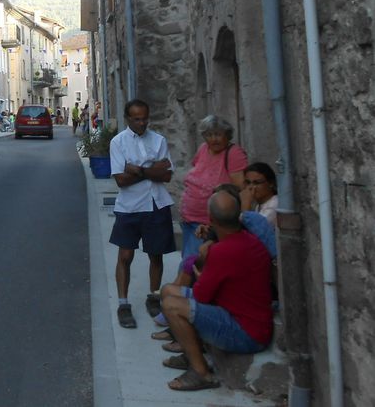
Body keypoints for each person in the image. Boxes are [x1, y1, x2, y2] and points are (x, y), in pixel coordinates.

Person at [158, 188, 273, 391]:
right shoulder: (248, 240)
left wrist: (201, 275)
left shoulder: (221, 252)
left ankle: (201, 372)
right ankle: (191, 353)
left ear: (211, 219)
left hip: (245, 332)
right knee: (169, 290)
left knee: (172, 305)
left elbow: (202, 296)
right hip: (246, 318)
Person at [109, 99, 176, 329]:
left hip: (156, 204)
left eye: (145, 118)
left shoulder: (159, 140)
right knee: (125, 256)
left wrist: (136, 169)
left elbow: (166, 175)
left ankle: (154, 296)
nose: (142, 122)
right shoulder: (118, 142)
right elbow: (120, 180)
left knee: (156, 255)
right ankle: (123, 303)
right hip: (129, 207)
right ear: (128, 119)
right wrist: (151, 170)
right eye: (137, 119)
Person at [178, 116, 248, 265]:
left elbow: (241, 190)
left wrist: (239, 220)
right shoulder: (203, 149)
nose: (214, 139)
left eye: (218, 134)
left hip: (208, 224)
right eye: (209, 135)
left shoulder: (233, 153)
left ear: (227, 135)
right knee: (189, 263)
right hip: (189, 219)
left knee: (191, 266)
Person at [243, 162, 278, 227]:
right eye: (248, 182)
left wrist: (246, 204)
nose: (251, 187)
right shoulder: (259, 204)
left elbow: (253, 230)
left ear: (271, 183)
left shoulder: (273, 206)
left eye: (256, 183)